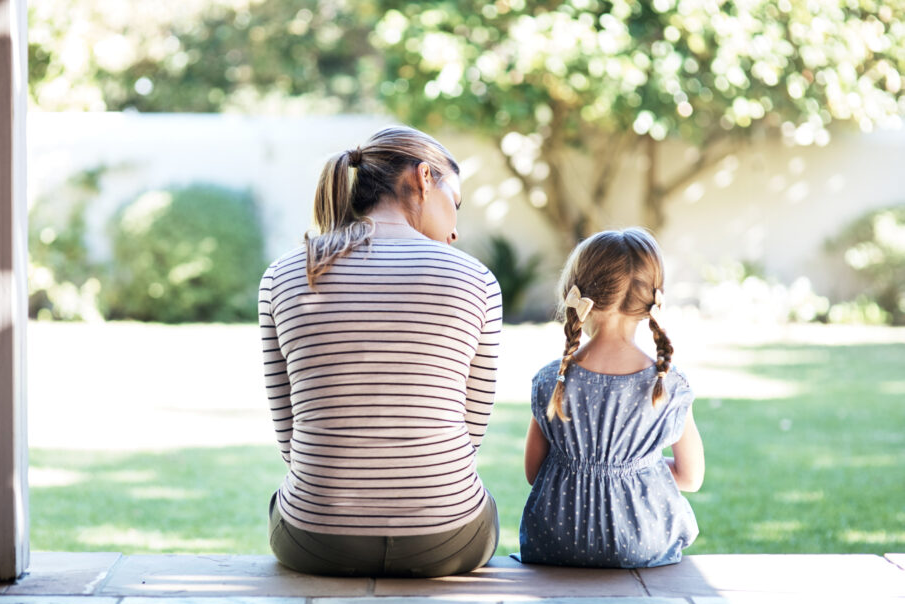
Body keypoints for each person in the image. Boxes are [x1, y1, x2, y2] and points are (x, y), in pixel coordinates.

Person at [258, 126, 502, 577]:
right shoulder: (476, 280)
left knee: (284, 500)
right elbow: (470, 435)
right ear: (425, 178)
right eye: (456, 203)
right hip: (446, 540)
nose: (455, 229)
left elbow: (290, 435)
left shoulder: (284, 274)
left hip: (316, 540)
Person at [519, 228, 705, 568]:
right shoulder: (669, 384)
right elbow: (691, 478)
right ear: (652, 300)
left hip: (557, 541)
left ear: (576, 294)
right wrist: (637, 467)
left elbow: (534, 472)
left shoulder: (551, 379)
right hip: (642, 543)